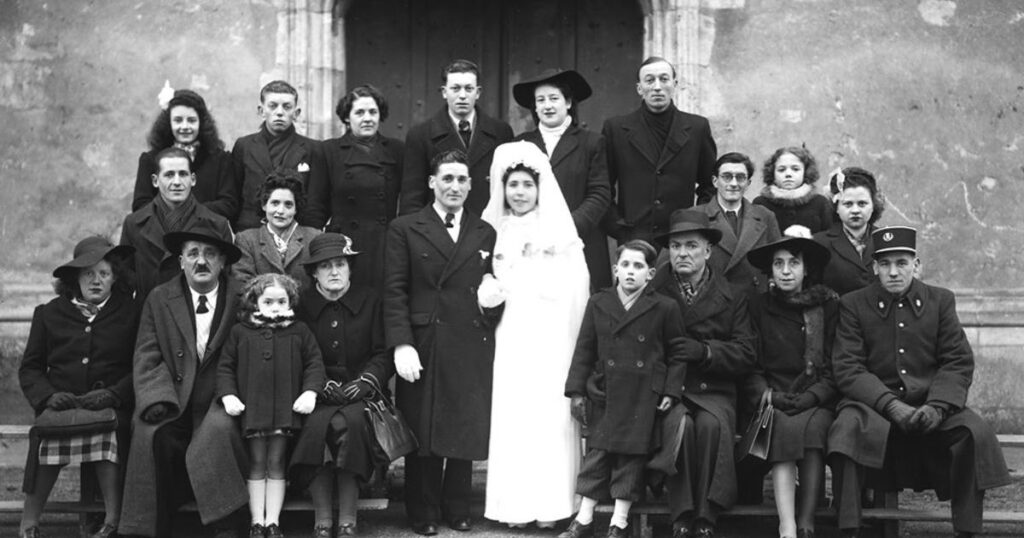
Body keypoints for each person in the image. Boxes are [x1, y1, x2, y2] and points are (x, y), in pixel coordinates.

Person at [827, 226, 1010, 538]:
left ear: (917, 264)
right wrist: (890, 405)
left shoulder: (940, 301)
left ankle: (967, 530)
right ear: (874, 268)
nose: (893, 272)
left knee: (973, 432)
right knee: (847, 429)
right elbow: (848, 367)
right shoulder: (854, 304)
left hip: (931, 406)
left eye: (901, 263)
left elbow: (957, 360)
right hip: (874, 408)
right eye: (884, 264)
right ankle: (849, 528)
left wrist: (938, 407)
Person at [384, 149, 503, 536]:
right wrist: (402, 343)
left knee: (463, 424)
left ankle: (457, 507)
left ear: (471, 185)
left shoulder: (485, 231)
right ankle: (423, 510)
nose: (455, 186)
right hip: (425, 340)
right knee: (424, 426)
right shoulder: (405, 227)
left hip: (470, 339)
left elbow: (493, 289)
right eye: (447, 179)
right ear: (432, 183)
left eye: (462, 180)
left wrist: (493, 301)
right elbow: (395, 290)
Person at [479, 142, 590, 528]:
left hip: (551, 332)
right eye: (513, 185)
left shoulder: (558, 231)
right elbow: (482, 275)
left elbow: (578, 284)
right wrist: (488, 291)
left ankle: (553, 505)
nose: (520, 192)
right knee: (515, 412)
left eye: (527, 184)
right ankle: (515, 507)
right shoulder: (493, 229)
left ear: (540, 188)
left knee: (549, 413)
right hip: (511, 332)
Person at [119, 222, 250, 538]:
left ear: (222, 262)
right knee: (154, 436)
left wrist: (234, 394)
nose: (201, 261)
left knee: (218, 432)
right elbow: (147, 355)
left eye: (209, 254)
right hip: (174, 398)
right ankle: (152, 527)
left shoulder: (243, 296)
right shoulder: (160, 298)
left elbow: (255, 351)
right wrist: (157, 399)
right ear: (180, 261)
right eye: (192, 254)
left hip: (223, 396)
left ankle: (227, 524)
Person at [559, 239, 687, 538]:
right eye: (625, 265)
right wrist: (577, 390)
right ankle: (585, 517)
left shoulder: (664, 307)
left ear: (651, 274)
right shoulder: (599, 303)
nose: (631, 272)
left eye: (639, 266)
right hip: (606, 390)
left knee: (631, 457)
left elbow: (677, 352)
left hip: (644, 394)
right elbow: (585, 349)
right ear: (616, 269)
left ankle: (619, 520)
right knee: (598, 454)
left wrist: (670, 390)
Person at [18, 237, 138, 538]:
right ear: (75, 278)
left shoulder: (132, 312)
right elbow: (31, 367)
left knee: (108, 434)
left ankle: (112, 520)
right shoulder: (49, 313)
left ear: (116, 278)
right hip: (62, 405)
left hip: (108, 406)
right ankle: (29, 523)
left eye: (104, 274)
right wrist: (47, 396)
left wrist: (115, 394)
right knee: (46, 439)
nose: (96, 281)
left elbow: (141, 365)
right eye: (88, 274)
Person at [650, 209, 756, 538]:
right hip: (671, 388)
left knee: (710, 426)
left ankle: (707, 513)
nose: (683, 253)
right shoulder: (655, 290)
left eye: (692, 246)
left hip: (716, 388)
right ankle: (681, 511)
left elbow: (746, 352)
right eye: (676, 246)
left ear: (708, 251)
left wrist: (706, 351)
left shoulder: (733, 295)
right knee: (680, 424)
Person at [289, 233, 395, 537]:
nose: (334, 272)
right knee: (316, 425)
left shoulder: (371, 301)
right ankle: (322, 518)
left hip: (361, 394)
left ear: (350, 268)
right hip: (317, 394)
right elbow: (297, 354)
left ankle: (348, 517)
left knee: (351, 422)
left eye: (340, 264)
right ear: (313, 273)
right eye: (325, 266)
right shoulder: (302, 306)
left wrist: (366, 382)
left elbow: (383, 352)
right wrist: (317, 385)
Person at [743, 229, 839, 538]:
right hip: (775, 397)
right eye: (778, 264)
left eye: (793, 263)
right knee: (783, 425)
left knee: (812, 431)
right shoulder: (758, 307)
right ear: (769, 270)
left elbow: (836, 364)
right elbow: (751, 365)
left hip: (817, 396)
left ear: (806, 268)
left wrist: (814, 396)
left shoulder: (825, 306)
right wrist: (768, 396)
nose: (786, 271)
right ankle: (787, 524)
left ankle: (807, 522)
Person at [217, 273, 326, 538]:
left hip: (284, 412)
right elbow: (225, 367)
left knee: (276, 461)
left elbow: (314, 363)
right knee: (256, 461)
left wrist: (310, 392)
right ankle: (257, 521)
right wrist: (228, 395)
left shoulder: (299, 331)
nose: (275, 307)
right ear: (256, 303)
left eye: (281, 301)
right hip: (253, 411)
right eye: (268, 302)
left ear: (291, 301)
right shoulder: (240, 332)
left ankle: (272, 521)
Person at [512, 69, 612, 289]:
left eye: (554, 98)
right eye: (541, 100)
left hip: (580, 242)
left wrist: (567, 228)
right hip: (533, 247)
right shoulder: (521, 145)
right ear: (535, 107)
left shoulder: (591, 143)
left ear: (567, 102)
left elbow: (600, 193)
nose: (547, 106)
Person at [602, 56, 717, 245]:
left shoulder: (697, 128)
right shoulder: (616, 129)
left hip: (681, 239)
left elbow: (709, 186)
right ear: (639, 88)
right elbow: (602, 186)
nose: (657, 87)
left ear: (675, 84)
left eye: (664, 79)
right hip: (633, 239)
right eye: (649, 80)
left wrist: (694, 225)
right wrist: (619, 229)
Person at [307, 84, 404, 292]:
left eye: (373, 112)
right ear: (346, 118)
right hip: (344, 246)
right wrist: (319, 249)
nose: (367, 118)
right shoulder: (328, 151)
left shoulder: (397, 150)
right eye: (359, 112)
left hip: (385, 245)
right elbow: (316, 207)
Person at [399, 59, 514, 216]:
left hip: (488, 228)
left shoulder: (501, 132)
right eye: (455, 88)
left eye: (468, 89)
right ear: (444, 92)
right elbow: (412, 198)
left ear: (478, 92)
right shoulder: (421, 135)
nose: (462, 95)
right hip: (440, 231)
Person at [120, 146, 233, 304]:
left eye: (183, 174)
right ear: (155, 180)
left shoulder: (217, 224)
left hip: (198, 316)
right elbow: (124, 281)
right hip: (150, 315)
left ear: (193, 179)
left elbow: (226, 282)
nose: (177, 182)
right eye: (169, 175)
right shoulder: (134, 224)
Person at [231, 80, 327, 231]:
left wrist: (308, 236)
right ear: (261, 111)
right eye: (273, 106)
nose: (280, 112)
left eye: (287, 107)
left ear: (296, 113)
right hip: (251, 233)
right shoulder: (244, 146)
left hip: (297, 235)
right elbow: (234, 197)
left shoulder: (313, 149)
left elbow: (317, 203)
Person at [132, 89, 238, 220]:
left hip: (206, 232)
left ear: (201, 123)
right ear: (168, 123)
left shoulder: (221, 160)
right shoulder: (150, 160)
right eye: (178, 120)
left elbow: (229, 205)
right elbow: (140, 205)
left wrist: (188, 213)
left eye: (192, 120)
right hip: (161, 233)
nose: (185, 126)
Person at [696, 152, 781, 294]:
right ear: (715, 181)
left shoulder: (765, 216)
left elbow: (777, 261)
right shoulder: (696, 216)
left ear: (748, 183)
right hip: (710, 302)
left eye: (740, 178)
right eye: (727, 177)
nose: (734, 183)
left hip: (754, 302)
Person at [232, 171, 320, 290]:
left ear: (296, 209)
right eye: (275, 203)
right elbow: (243, 283)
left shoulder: (313, 237)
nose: (280, 211)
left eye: (288, 205)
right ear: (264, 205)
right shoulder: (247, 240)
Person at [813, 167, 885, 296]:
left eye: (862, 204)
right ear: (836, 207)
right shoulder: (819, 243)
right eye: (848, 204)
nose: (855, 210)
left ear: (873, 205)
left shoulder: (885, 239)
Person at [752, 147, 832, 234]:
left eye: (795, 169)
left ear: (805, 172)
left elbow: (829, 236)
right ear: (772, 173)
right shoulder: (761, 204)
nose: (788, 174)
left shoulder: (820, 203)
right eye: (781, 170)